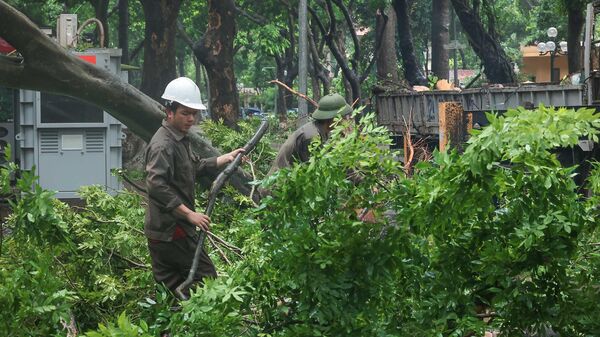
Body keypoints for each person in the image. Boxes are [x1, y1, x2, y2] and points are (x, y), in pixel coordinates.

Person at [144, 77, 244, 297]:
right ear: (169, 111)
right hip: (172, 231)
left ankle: (172, 329)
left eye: (193, 113)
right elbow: (156, 185)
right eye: (185, 113)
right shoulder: (164, 145)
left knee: (171, 291)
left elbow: (194, 166)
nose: (191, 119)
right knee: (207, 281)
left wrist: (225, 158)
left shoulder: (179, 138)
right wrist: (190, 215)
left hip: (165, 230)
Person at [268, 93, 352, 174]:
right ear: (333, 118)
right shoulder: (311, 136)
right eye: (343, 117)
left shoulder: (323, 131)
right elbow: (313, 171)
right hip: (280, 185)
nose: (345, 121)